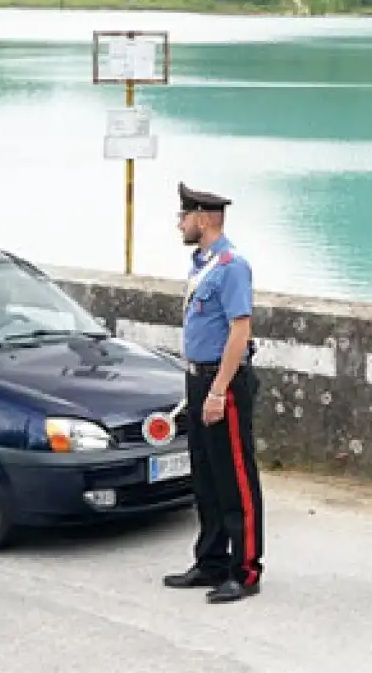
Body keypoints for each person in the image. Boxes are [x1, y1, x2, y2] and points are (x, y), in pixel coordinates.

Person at [162, 182, 265, 603]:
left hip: (223, 383)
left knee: (235, 478)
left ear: (202, 218)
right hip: (198, 377)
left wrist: (219, 391)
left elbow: (240, 331)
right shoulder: (201, 263)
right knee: (205, 476)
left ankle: (245, 569)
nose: (180, 224)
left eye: (183, 217)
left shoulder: (231, 266)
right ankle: (210, 561)